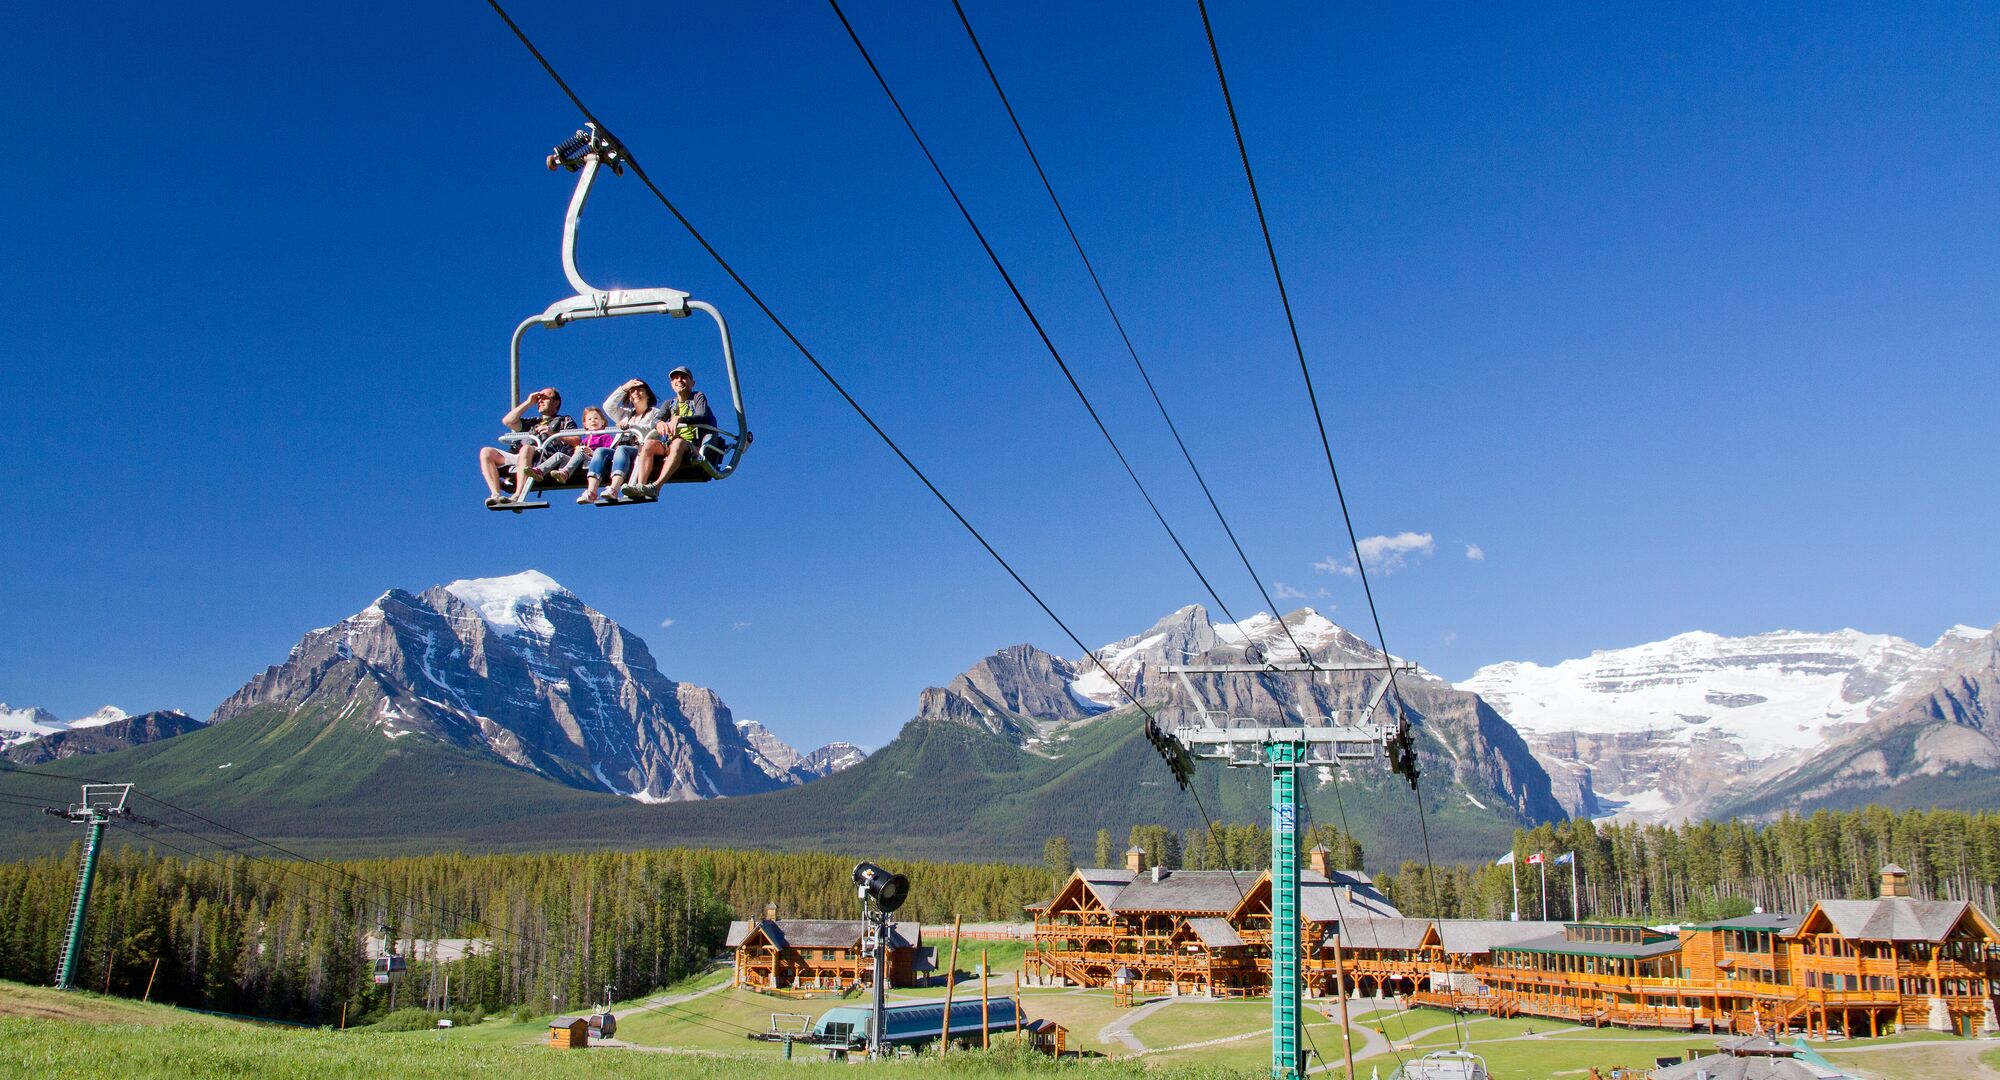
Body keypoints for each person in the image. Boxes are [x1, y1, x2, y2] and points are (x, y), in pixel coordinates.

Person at [627, 365, 717, 498]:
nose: (679, 380)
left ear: (692, 382)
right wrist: (659, 423)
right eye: (675, 378)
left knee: (678, 443)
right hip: (669, 444)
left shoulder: (697, 397)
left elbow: (702, 415)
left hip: (691, 445)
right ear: (672, 384)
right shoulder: (669, 403)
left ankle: (656, 486)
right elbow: (655, 420)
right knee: (649, 444)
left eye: (683, 378)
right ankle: (641, 485)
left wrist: (680, 418)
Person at [479, 387, 575, 508]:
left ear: (556, 402)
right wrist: (529, 402)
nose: (540, 401)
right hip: (521, 456)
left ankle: (517, 495)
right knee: (486, 452)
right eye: (539, 398)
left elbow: (575, 440)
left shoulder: (564, 420)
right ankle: (496, 494)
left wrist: (553, 434)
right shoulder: (533, 421)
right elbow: (508, 421)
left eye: (545, 398)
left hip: (543, 457)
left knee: (526, 449)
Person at [599, 378, 664, 504]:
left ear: (648, 395)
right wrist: (624, 388)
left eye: (640, 390)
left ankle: (614, 488)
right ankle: (591, 491)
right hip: (619, 450)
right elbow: (608, 406)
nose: (636, 393)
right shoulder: (625, 414)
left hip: (640, 450)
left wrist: (630, 427)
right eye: (632, 391)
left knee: (621, 450)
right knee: (601, 451)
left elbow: (653, 429)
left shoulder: (656, 413)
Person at [572, 406, 620, 504]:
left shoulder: (605, 437)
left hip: (600, 461)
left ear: (602, 422)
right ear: (585, 424)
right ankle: (566, 471)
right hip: (586, 461)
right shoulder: (585, 440)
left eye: (596, 418)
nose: (593, 421)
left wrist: (592, 452)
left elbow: (608, 453)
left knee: (599, 451)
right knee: (577, 451)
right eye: (589, 419)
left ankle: (592, 491)